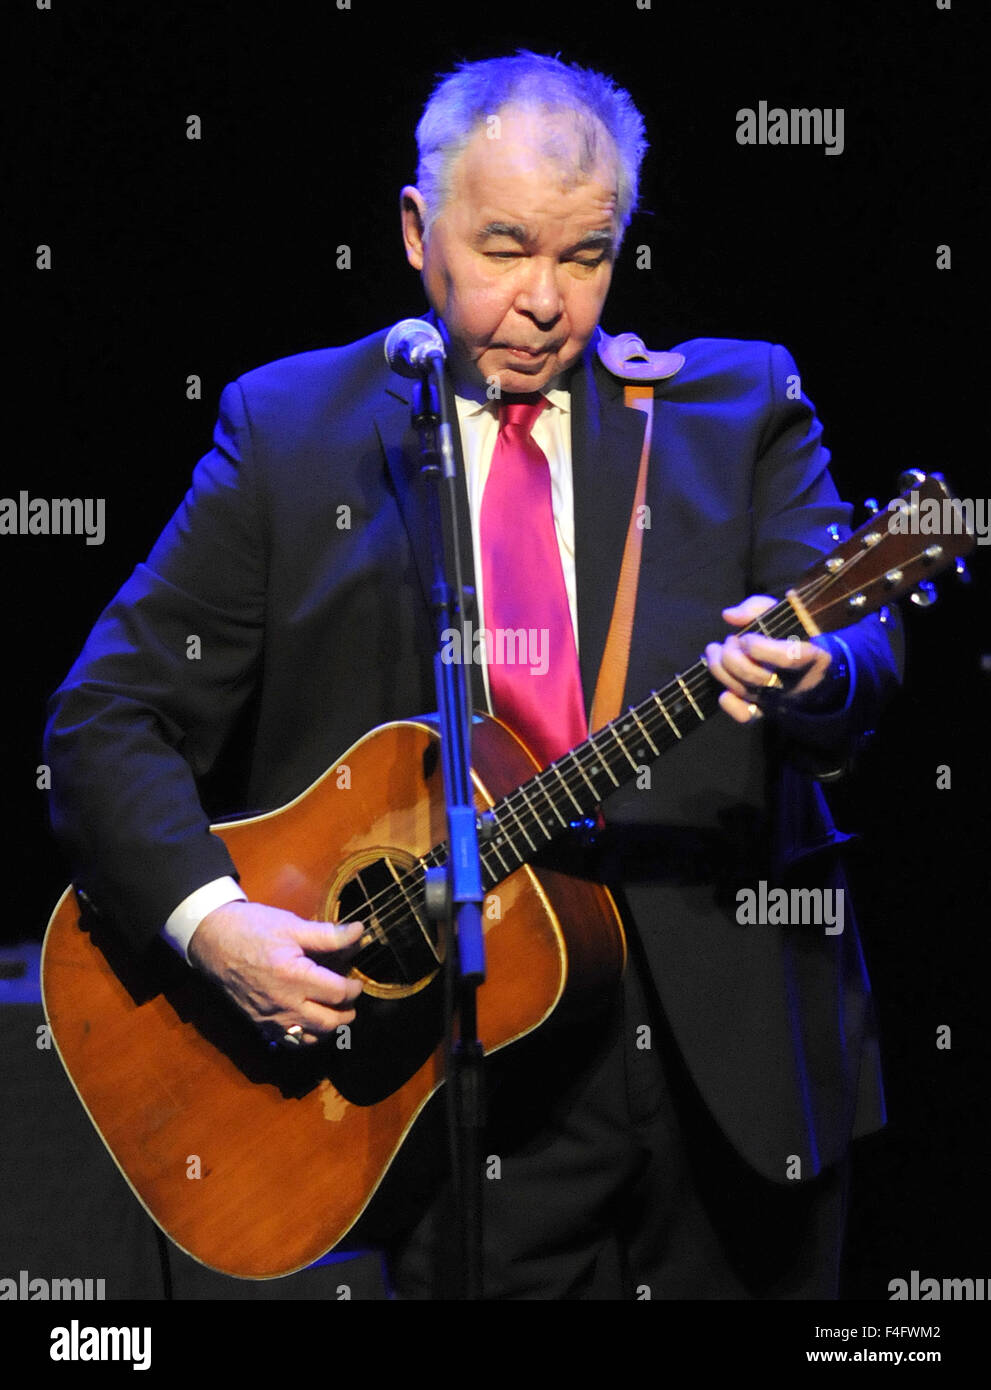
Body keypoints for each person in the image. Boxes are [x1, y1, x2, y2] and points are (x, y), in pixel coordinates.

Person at [45, 51, 902, 1299]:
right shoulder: (292, 433)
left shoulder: (738, 403)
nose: (548, 301)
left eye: (586, 254)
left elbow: (866, 656)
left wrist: (820, 664)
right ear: (415, 230)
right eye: (504, 248)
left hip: (733, 1062)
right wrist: (213, 924)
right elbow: (107, 715)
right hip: (452, 1080)